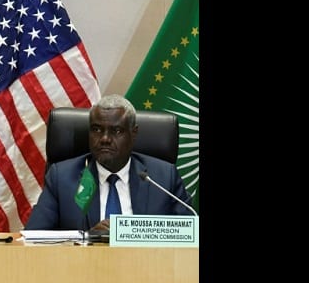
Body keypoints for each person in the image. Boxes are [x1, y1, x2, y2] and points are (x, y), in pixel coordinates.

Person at [24, 94, 193, 231]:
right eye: (97, 129)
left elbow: (190, 235)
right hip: (84, 263)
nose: (105, 138)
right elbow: (33, 238)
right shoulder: (62, 178)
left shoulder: (163, 177)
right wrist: (88, 240)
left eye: (116, 131)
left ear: (133, 133)